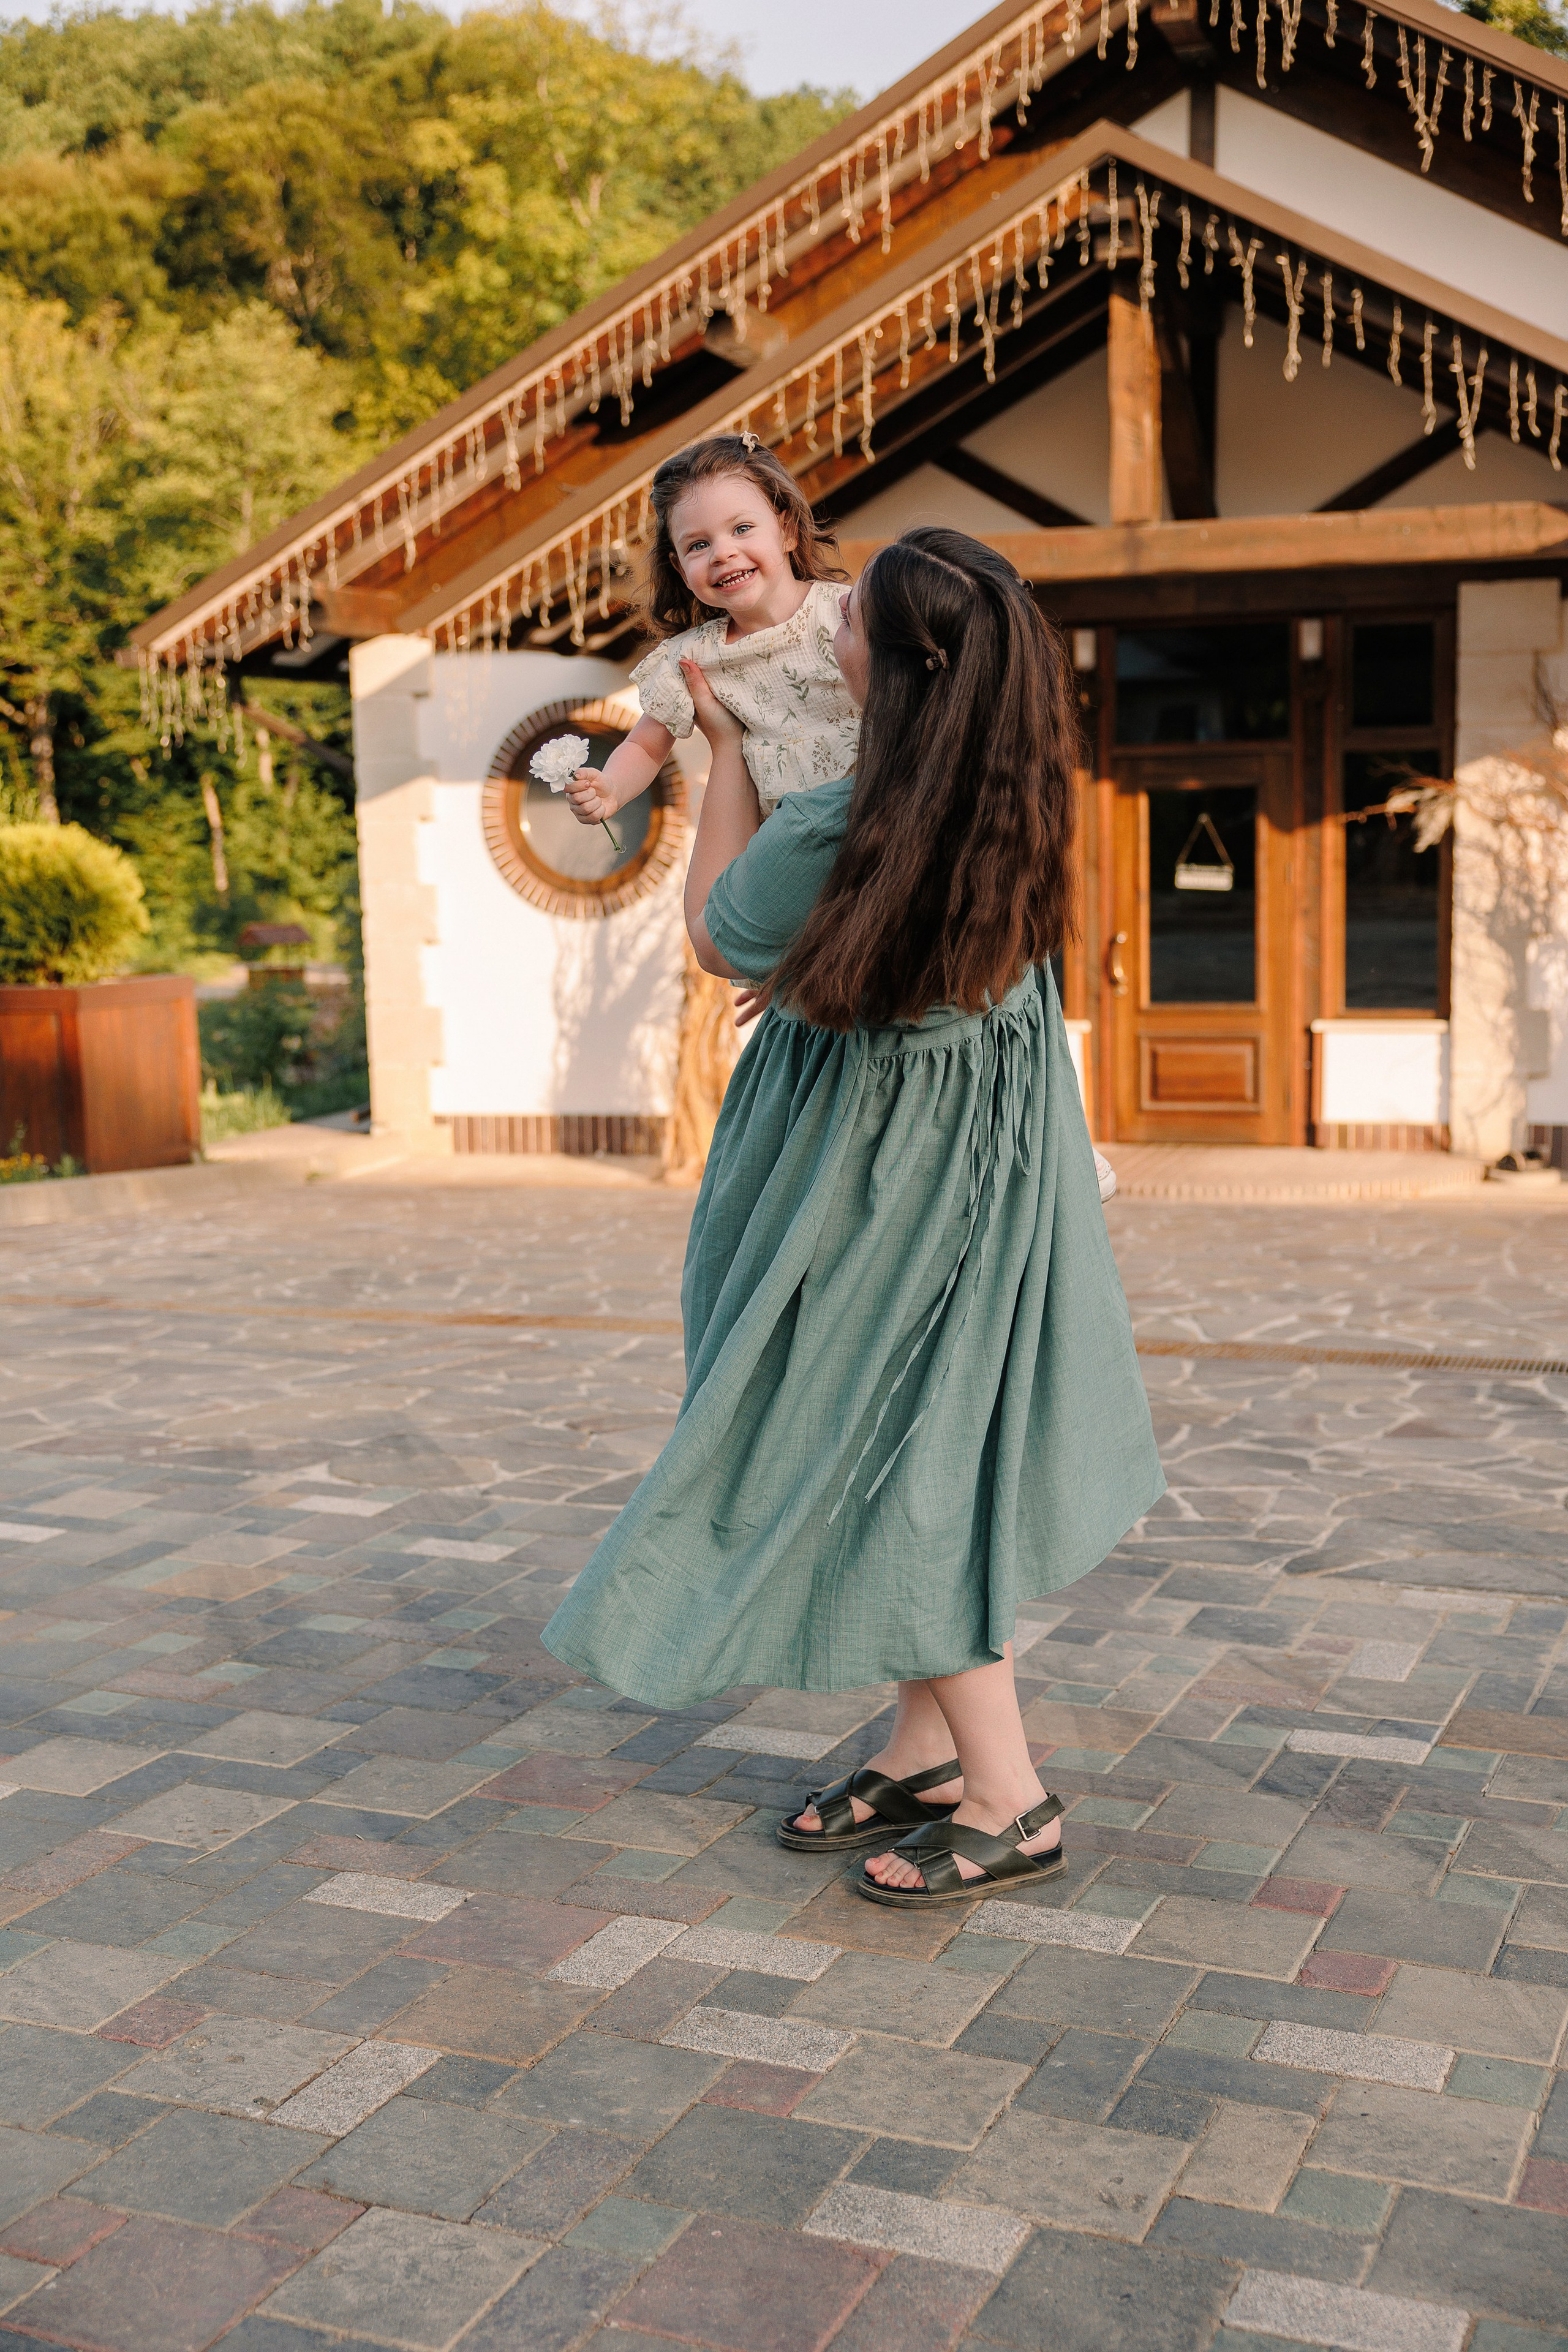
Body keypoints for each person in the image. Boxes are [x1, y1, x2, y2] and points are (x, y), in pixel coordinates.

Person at [543, 527, 1163, 1910]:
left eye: (850, 623)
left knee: (866, 1444)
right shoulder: (1003, 799)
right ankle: (925, 1750)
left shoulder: (844, 818)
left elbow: (717, 932)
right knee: (920, 1431)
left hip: (868, 1174)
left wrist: (711, 756)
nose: (826, 629)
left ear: (895, 667)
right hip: (983, 1171)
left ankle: (1011, 1796)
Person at [561, 432, 860, 831]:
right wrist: (612, 787)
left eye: (741, 529)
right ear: (681, 569)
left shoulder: (848, 613)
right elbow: (646, 747)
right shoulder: (693, 660)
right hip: (794, 841)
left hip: (887, 806)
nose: (722, 553)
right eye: (698, 546)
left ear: (786, 529)